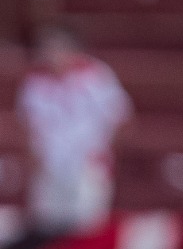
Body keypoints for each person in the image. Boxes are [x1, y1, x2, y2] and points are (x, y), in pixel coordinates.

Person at [17, 23, 131, 234]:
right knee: (46, 231)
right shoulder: (34, 80)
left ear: (74, 50)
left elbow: (120, 117)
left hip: (87, 162)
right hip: (49, 164)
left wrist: (104, 155)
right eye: (47, 48)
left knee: (85, 231)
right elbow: (29, 124)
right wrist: (34, 155)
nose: (52, 55)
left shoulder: (96, 75)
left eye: (58, 48)